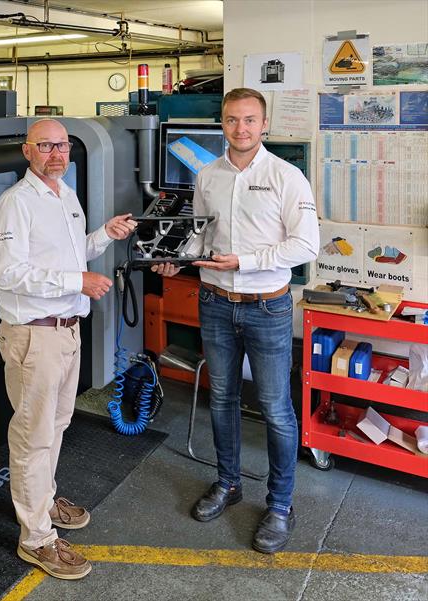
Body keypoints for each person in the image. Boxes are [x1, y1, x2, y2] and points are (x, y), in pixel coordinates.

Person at [153, 88, 319, 553]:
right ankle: (228, 484)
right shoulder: (207, 175)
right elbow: (202, 238)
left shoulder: (287, 177)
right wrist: (173, 259)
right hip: (216, 303)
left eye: (249, 120)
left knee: (275, 410)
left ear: (264, 125)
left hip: (267, 306)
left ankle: (281, 504)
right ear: (221, 124)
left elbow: (305, 246)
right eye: (231, 120)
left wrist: (244, 261)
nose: (240, 128)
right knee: (221, 398)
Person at [0, 118, 136, 580]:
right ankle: (35, 539)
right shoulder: (15, 204)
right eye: (46, 146)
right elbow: (8, 275)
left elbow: (70, 256)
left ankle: (45, 501)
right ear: (27, 151)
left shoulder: (65, 195)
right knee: (33, 436)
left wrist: (103, 237)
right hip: (34, 336)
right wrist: (78, 281)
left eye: (63, 145)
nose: (57, 153)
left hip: (66, 331)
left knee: (56, 424)